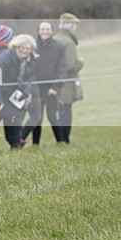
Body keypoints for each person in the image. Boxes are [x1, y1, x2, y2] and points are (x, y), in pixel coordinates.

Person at [0, 35, 37, 150]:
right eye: (22, 47)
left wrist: (26, 92)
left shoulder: (31, 60)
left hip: (14, 97)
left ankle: (16, 148)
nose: (25, 50)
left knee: (13, 124)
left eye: (28, 48)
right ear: (16, 46)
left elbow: (29, 78)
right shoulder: (5, 58)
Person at [22, 21, 66, 145]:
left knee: (52, 116)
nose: (45, 32)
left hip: (51, 89)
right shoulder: (32, 46)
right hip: (36, 88)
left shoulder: (59, 47)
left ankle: (61, 141)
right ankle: (35, 143)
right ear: (38, 31)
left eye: (47, 29)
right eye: (42, 29)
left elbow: (62, 68)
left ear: (52, 31)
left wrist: (55, 87)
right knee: (37, 117)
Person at [53, 12, 84, 144]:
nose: (76, 27)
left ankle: (60, 139)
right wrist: (81, 62)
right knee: (66, 112)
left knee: (57, 113)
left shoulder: (55, 38)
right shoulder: (69, 42)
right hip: (66, 83)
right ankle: (64, 139)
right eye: (75, 24)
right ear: (71, 26)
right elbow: (70, 65)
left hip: (55, 82)